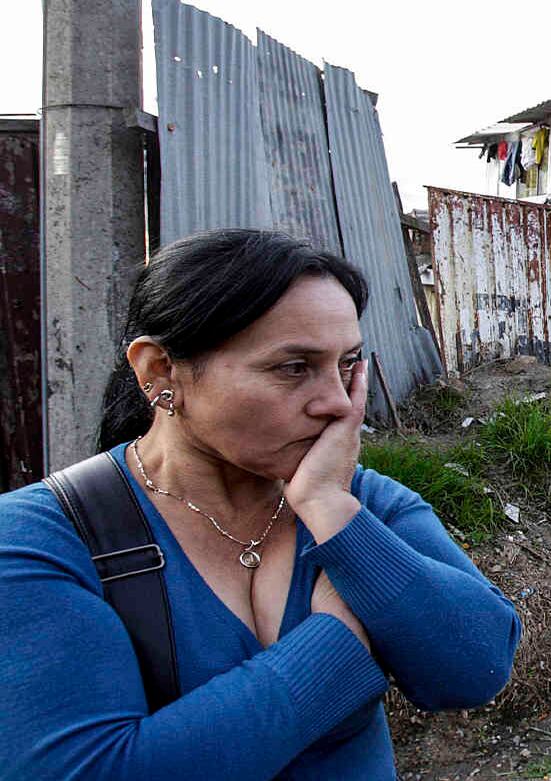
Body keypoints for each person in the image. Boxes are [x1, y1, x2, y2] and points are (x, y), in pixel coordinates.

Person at [0, 229, 522, 779]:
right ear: (159, 371)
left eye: (347, 365)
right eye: (293, 368)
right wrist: (341, 640)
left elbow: (474, 668)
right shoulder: (42, 540)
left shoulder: (360, 504)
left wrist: (330, 508)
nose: (336, 402)